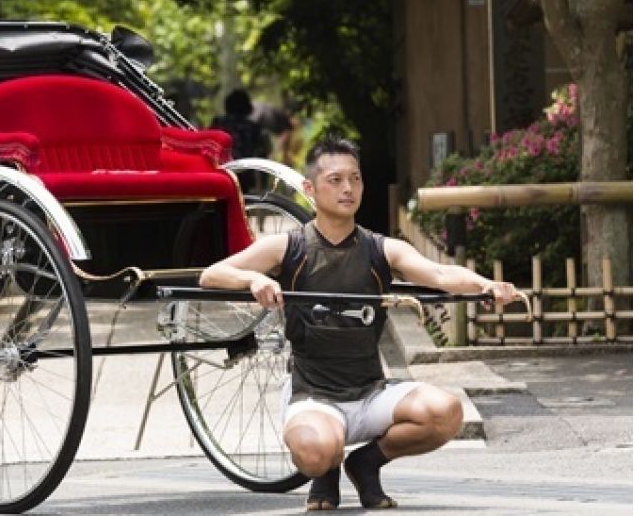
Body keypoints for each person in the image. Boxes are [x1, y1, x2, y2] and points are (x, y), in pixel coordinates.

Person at [199, 135, 519, 511]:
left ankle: (366, 463)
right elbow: (213, 275)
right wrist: (254, 279)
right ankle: (327, 469)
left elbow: (439, 274)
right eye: (335, 180)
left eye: (355, 178)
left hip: (371, 394)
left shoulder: (380, 248)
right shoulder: (290, 247)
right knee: (317, 452)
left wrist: (486, 285)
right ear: (309, 188)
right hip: (314, 397)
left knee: (446, 412)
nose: (348, 188)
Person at [210, 89, 269, 192]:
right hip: (243, 174)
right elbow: (263, 154)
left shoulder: (218, 123)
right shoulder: (253, 127)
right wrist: (262, 184)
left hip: (220, 172)